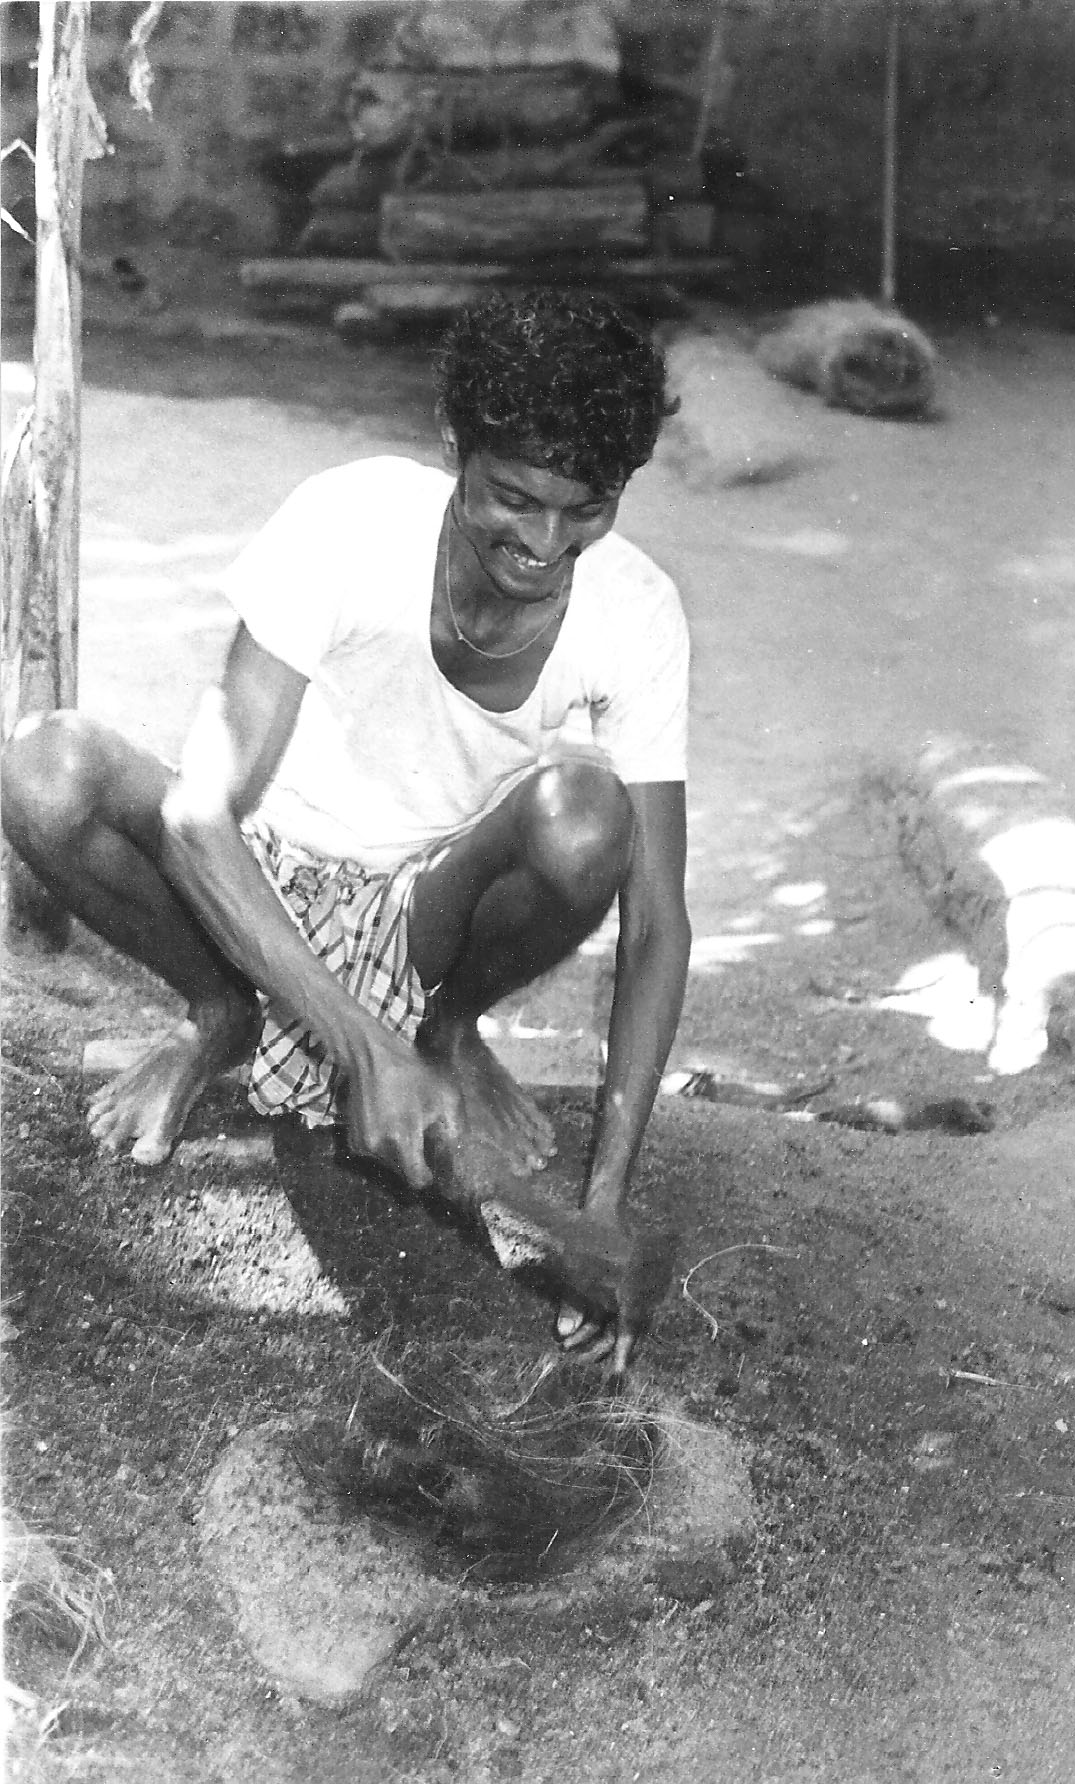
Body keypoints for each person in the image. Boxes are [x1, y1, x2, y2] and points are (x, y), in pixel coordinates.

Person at [1, 288, 691, 1372]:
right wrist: (360, 1046)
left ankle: (446, 1031)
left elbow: (655, 924)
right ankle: (222, 1014)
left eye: (587, 509)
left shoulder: (634, 612)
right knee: (45, 768)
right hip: (246, 888)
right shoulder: (349, 521)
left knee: (585, 817)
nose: (545, 542)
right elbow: (197, 815)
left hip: (416, 917)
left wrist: (603, 1201)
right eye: (513, 498)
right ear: (453, 443)